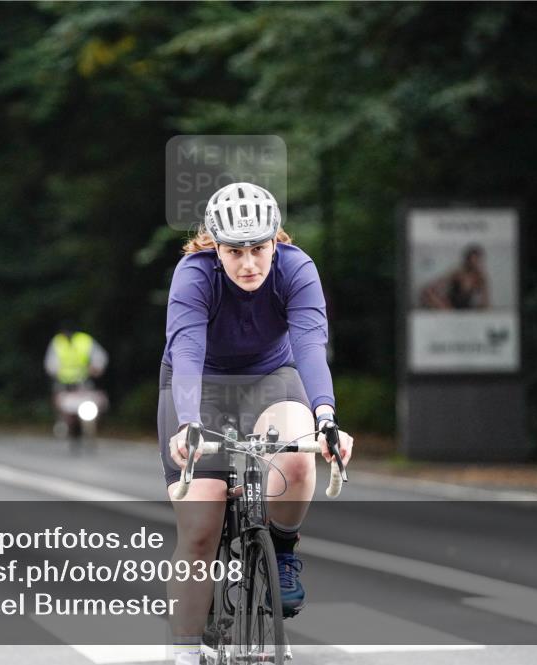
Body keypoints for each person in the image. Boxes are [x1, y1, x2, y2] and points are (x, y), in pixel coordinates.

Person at [159, 182, 353, 664]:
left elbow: (310, 345)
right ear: (215, 247)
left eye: (259, 249)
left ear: (275, 242)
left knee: (298, 454)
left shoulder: (297, 269)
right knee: (201, 527)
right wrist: (188, 422)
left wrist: (326, 417)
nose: (249, 263)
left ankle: (282, 551)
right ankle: (185, 652)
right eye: (235, 251)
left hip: (272, 375)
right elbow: (185, 350)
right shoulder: (194, 275)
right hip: (199, 383)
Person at [418, 244, 490, 310]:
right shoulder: (458, 273)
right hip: (450, 306)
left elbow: (485, 299)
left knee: (484, 307)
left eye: (477, 260)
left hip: (466, 308)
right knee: (428, 292)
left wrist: (483, 309)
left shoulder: (480, 277)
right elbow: (436, 285)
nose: (474, 263)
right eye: (472, 260)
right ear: (467, 260)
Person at [44, 325, 109, 388]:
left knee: (98, 397)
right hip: (62, 385)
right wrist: (53, 371)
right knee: (57, 396)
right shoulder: (57, 341)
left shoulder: (84, 339)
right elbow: (50, 364)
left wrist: (96, 368)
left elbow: (99, 357)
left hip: (84, 382)